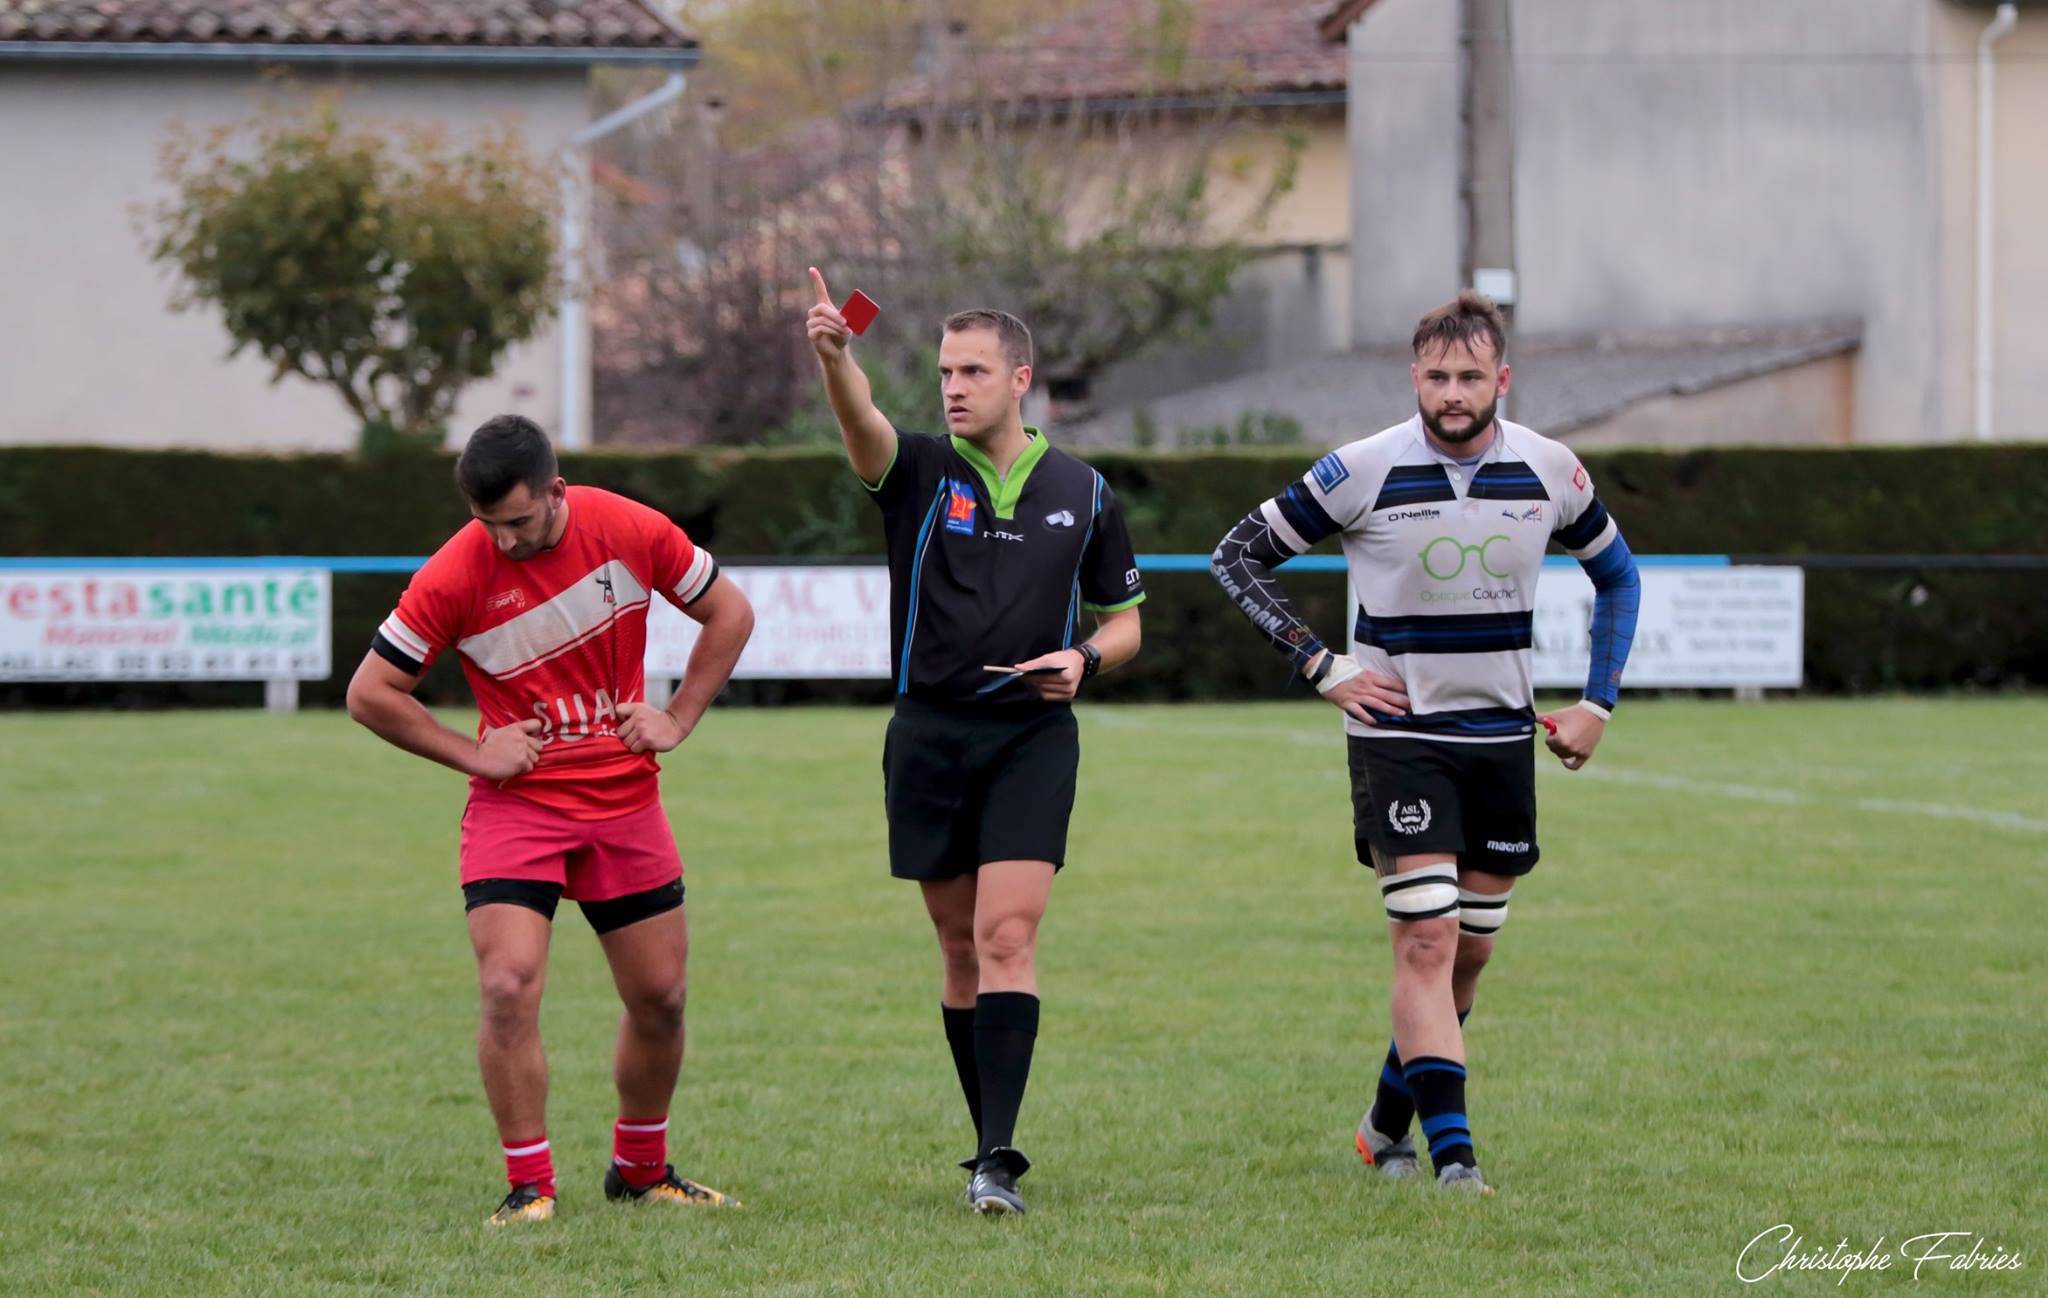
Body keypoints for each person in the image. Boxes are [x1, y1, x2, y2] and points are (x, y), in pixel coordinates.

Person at [1209, 291, 1641, 1194]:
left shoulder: (1551, 470)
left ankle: (1382, 1125)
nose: (1452, 393)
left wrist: (1598, 702)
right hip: (1399, 737)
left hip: (1502, 742)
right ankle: (1455, 1160)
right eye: (1437, 377)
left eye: (1470, 376)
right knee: (1427, 941)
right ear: (1414, 377)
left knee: (1470, 950)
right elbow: (1236, 553)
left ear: (1502, 379)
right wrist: (1321, 664)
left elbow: (1618, 574)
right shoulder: (1361, 469)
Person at [344, 415, 755, 1225]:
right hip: (518, 809)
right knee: (507, 985)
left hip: (624, 801)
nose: (503, 540)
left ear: (557, 493)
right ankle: (530, 1185)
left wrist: (676, 717)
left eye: (519, 522)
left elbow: (731, 614)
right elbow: (369, 695)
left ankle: (641, 1169)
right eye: (487, 524)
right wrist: (476, 753)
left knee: (662, 998)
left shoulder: (629, 528)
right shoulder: (455, 573)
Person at [805, 268, 1145, 1215]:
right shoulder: (914, 469)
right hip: (927, 738)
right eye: (946, 371)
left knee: (1006, 934)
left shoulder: (1083, 491)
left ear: (1020, 378)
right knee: (958, 948)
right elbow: (861, 422)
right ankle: (984, 1137)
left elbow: (1125, 621)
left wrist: (1084, 659)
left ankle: (998, 1157)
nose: (953, 387)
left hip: (1033, 737)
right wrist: (836, 359)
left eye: (973, 371)